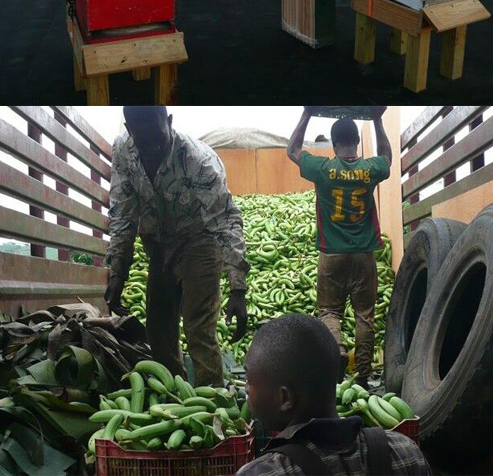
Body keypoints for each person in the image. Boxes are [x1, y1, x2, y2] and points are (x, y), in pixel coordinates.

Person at [104, 106, 250, 388]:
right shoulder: (123, 150)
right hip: (157, 245)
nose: (152, 149)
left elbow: (226, 220)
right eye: (142, 141)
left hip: (200, 241)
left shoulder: (198, 161)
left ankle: (211, 404)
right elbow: (123, 213)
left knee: (199, 328)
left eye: (158, 138)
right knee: (158, 331)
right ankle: (173, 401)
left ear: (169, 122)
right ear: (129, 129)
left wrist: (238, 288)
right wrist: (118, 270)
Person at [237, 314, 431, 475]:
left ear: (285, 398)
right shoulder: (406, 452)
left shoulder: (263, 472)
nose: (246, 388)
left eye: (250, 382)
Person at [286, 108, 392, 383]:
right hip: (363, 254)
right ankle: (364, 374)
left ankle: (337, 349)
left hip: (331, 254)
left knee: (329, 311)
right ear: (357, 141)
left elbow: (292, 150)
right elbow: (387, 159)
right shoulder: (370, 169)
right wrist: (378, 120)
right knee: (364, 315)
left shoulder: (323, 169)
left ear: (333, 145)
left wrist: (308, 113)